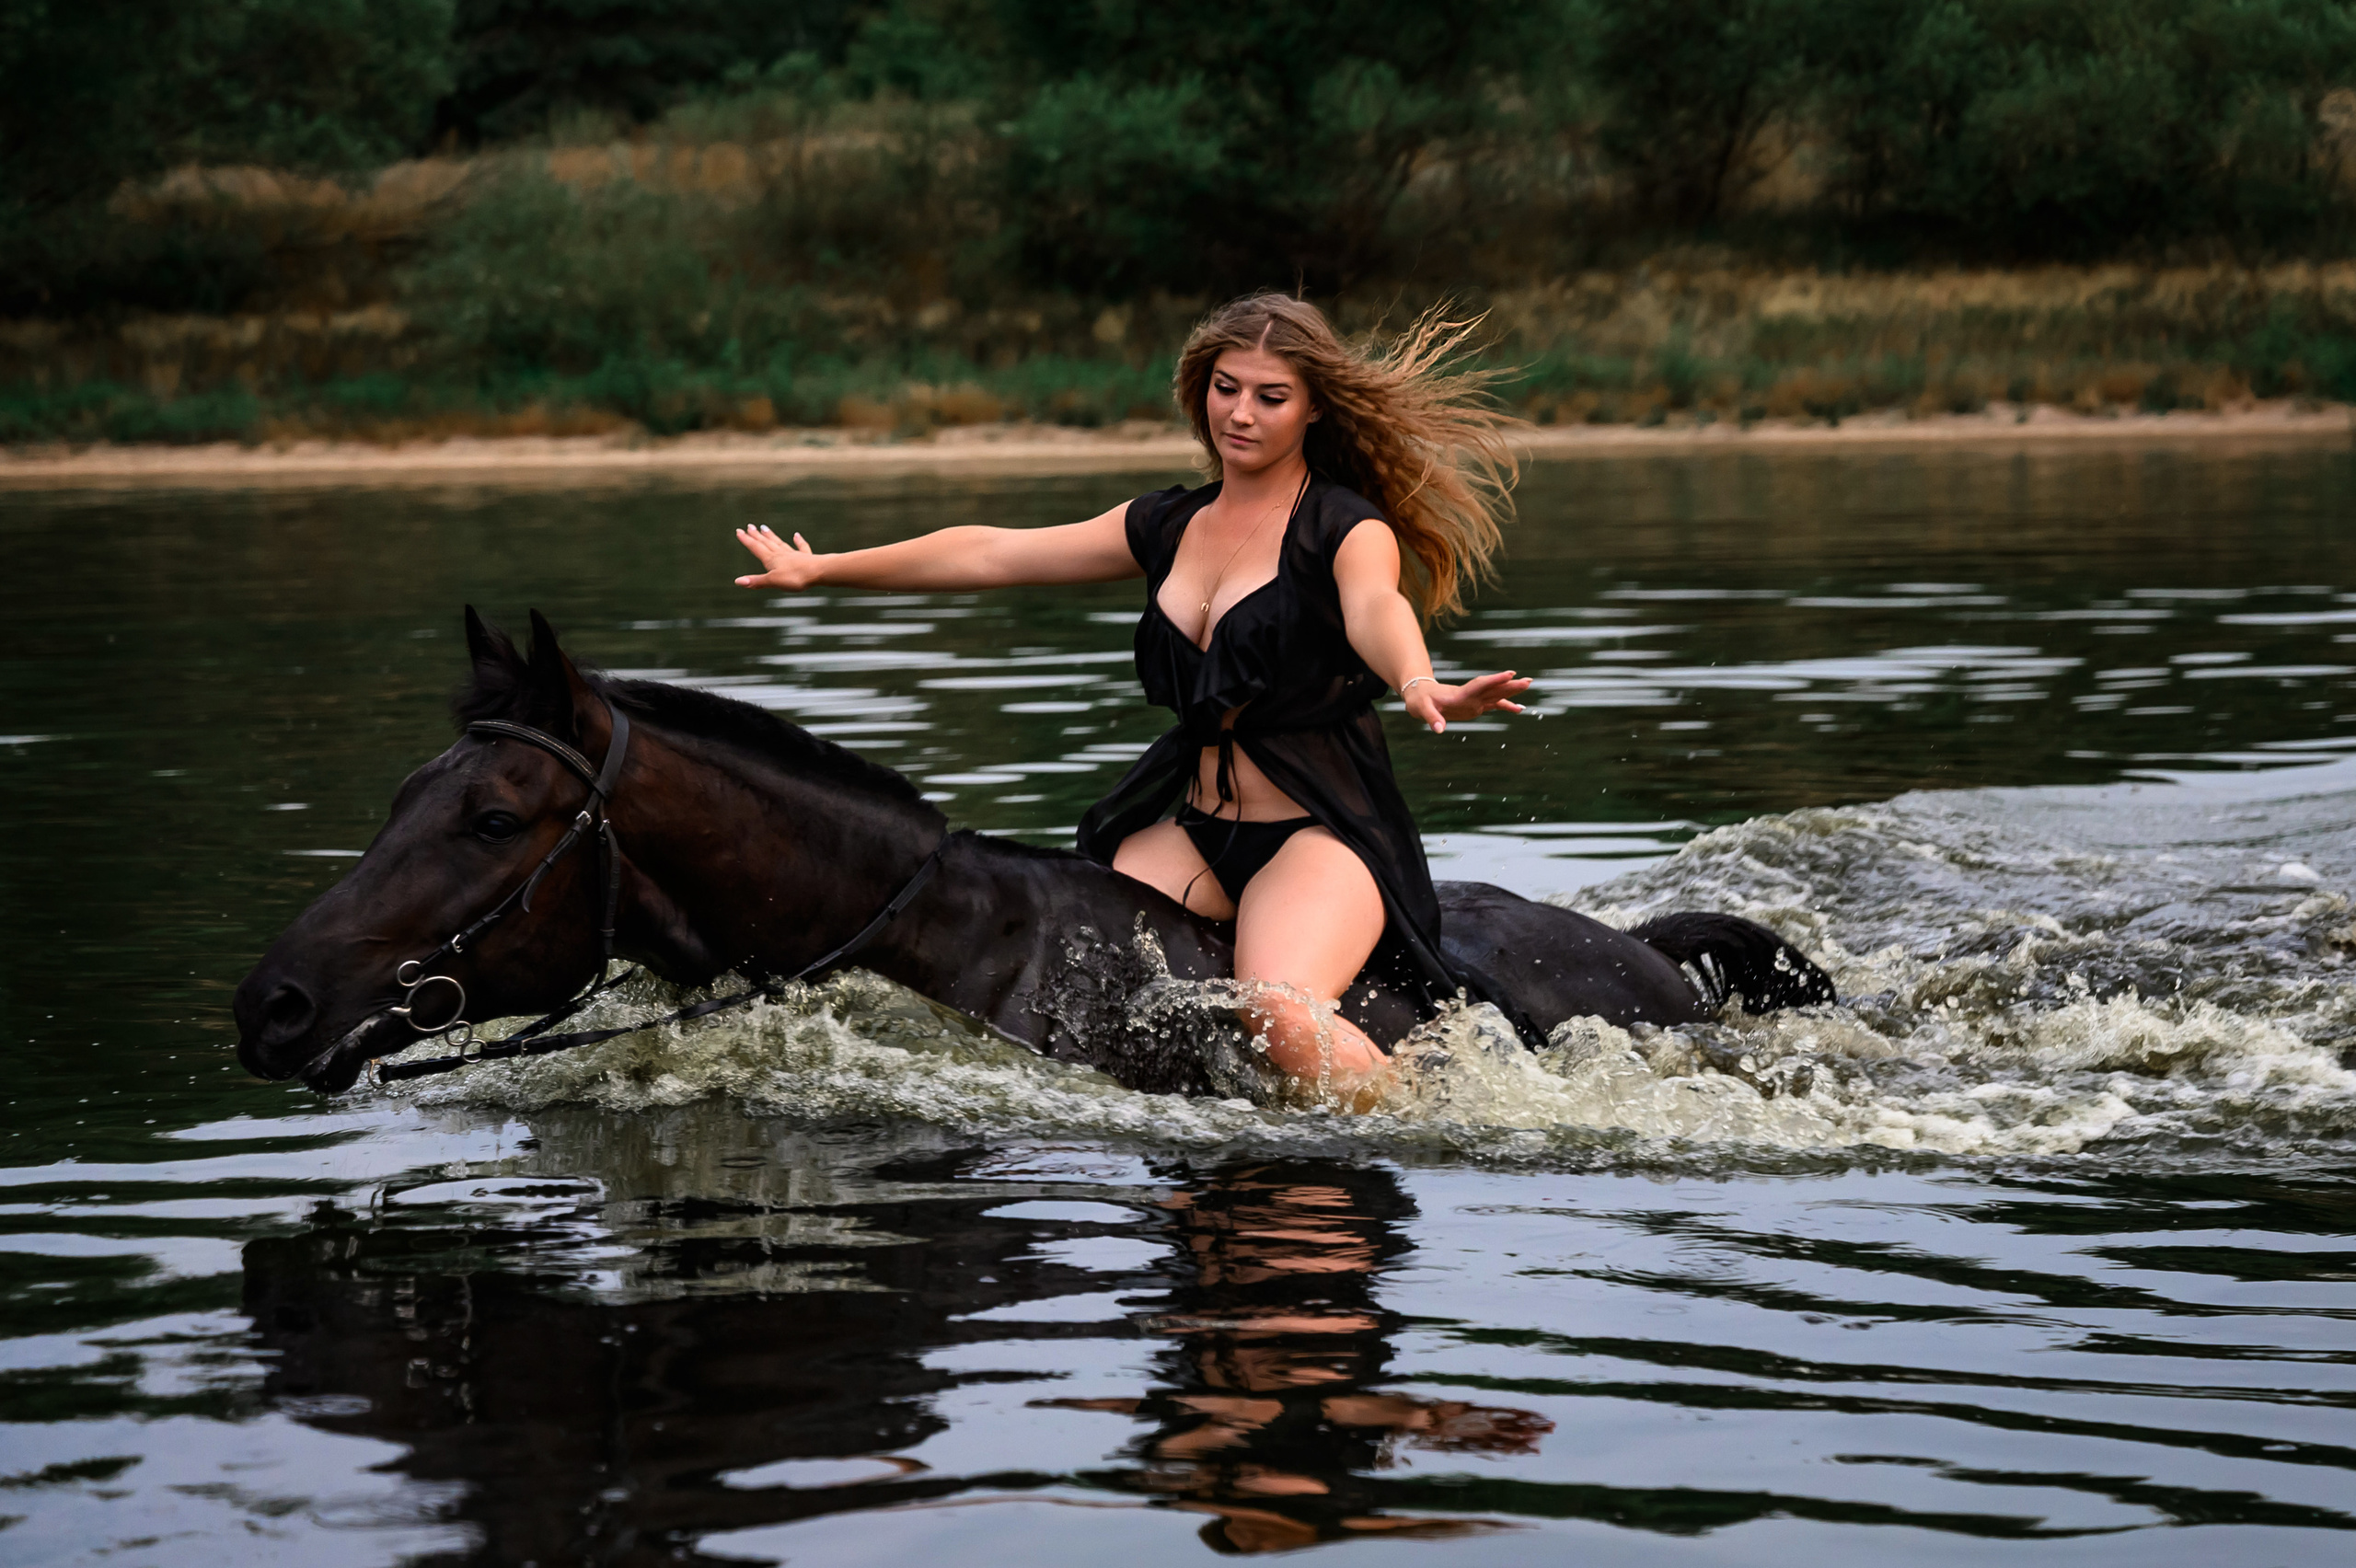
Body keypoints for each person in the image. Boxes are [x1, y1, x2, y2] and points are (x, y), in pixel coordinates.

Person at [731, 293, 1529, 1099]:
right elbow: (994, 555)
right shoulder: (1166, 524)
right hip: (1190, 829)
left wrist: (1419, 681)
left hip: (1317, 837)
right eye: (1225, 388)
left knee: (1274, 1017)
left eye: (1269, 396)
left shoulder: (1344, 529)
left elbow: (1375, 609)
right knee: (1053, 975)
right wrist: (824, 568)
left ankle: (1442, 1114)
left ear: (1314, 407)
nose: (1240, 414)